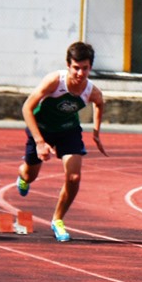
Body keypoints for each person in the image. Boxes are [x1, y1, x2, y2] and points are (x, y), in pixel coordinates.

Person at [16, 41, 108, 242]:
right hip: (41, 128)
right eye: (76, 68)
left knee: (74, 177)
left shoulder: (91, 91)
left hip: (68, 131)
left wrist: (96, 132)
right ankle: (23, 175)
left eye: (85, 68)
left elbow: (100, 103)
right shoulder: (55, 82)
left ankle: (57, 220)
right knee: (30, 175)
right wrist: (40, 142)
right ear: (68, 66)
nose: (80, 73)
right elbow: (26, 108)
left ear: (90, 67)